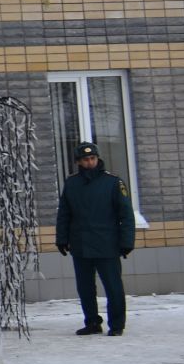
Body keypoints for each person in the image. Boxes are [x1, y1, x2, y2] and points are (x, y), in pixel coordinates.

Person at [56, 140, 135, 336]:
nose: (89, 162)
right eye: (85, 159)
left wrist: (126, 242)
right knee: (85, 288)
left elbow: (126, 214)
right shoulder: (72, 183)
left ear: (97, 158)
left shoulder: (112, 182)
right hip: (81, 244)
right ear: (79, 162)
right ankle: (92, 322)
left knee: (113, 287)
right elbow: (64, 213)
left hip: (107, 244)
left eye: (92, 158)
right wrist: (62, 238)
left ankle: (116, 325)